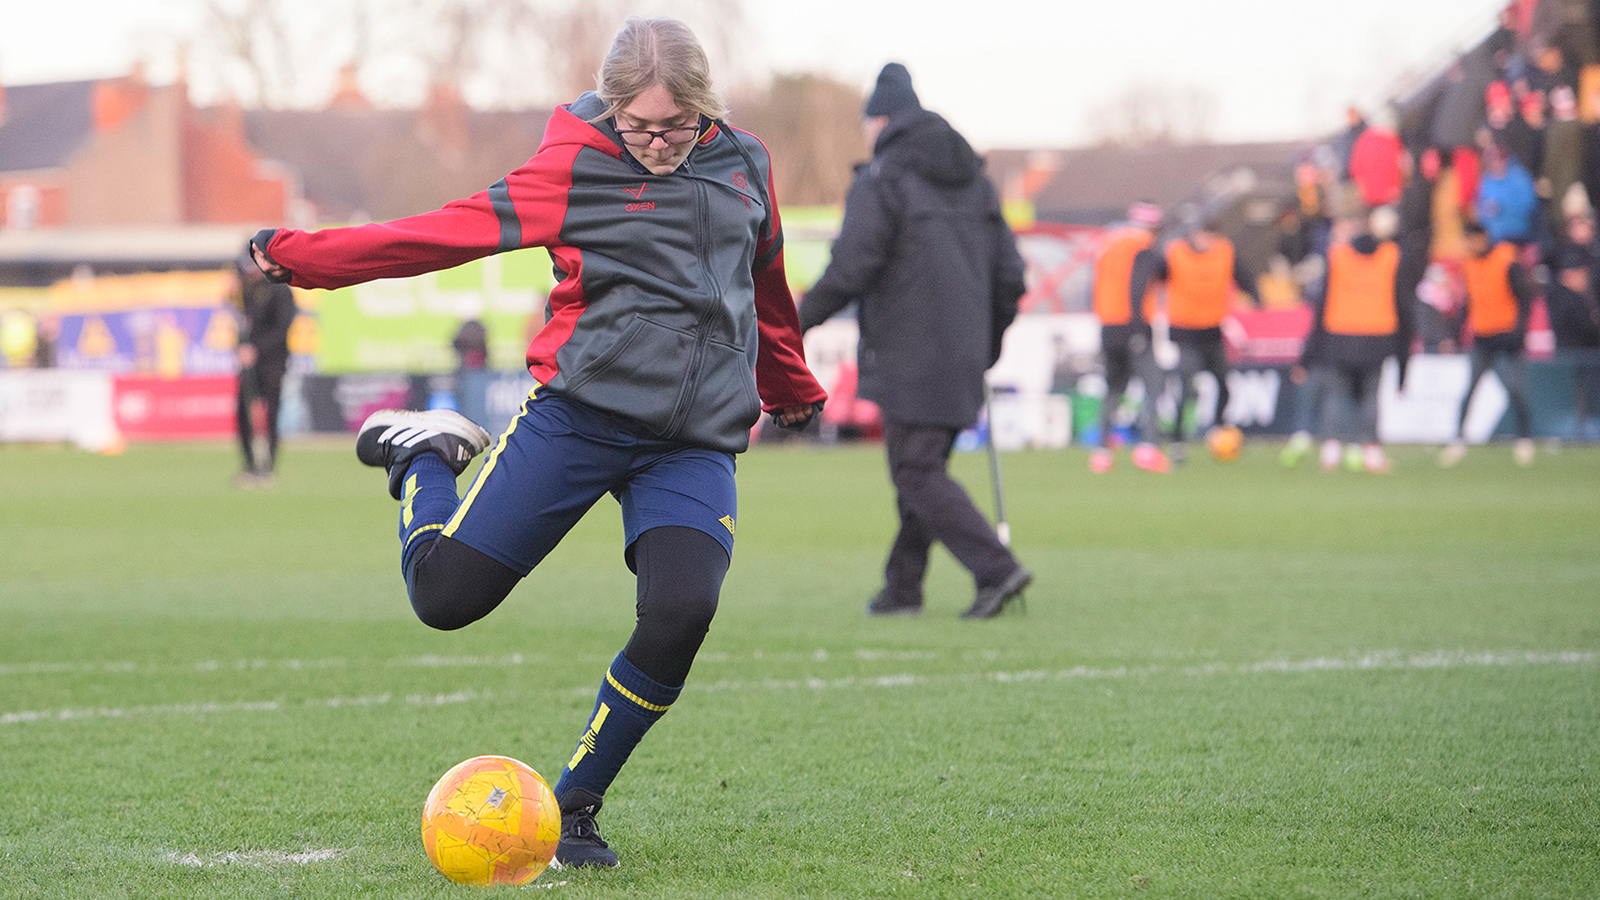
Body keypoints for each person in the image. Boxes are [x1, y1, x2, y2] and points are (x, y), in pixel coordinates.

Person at [247, 17, 826, 868]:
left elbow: (766, 281)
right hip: (581, 414)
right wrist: (300, 258)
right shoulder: (574, 165)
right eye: (639, 126)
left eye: (676, 126)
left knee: (681, 612)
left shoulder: (746, 162)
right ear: (611, 109)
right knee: (445, 599)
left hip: (693, 442)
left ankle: (575, 807)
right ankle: (425, 455)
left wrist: (789, 387)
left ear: (707, 109)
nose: (658, 143)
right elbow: (439, 234)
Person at [796, 62, 1030, 620]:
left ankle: (996, 569)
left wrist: (795, 320)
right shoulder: (978, 182)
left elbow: (852, 266)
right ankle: (903, 588)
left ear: (878, 122)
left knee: (916, 472)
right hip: (964, 353)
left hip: (907, 352)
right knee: (921, 470)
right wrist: (987, 342)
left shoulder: (883, 179)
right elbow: (1012, 276)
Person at [1296, 207, 1422, 473]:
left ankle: (1331, 452)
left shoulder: (1338, 258)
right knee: (1371, 397)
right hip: (1377, 338)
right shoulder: (1391, 257)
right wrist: (1403, 364)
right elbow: (1404, 309)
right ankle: (1372, 454)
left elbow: (1321, 307)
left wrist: (1307, 356)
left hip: (1339, 336)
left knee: (1335, 395)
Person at [1129, 217, 1261, 459]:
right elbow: (1153, 276)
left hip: (1212, 331)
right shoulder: (1175, 255)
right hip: (1185, 333)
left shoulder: (1224, 253)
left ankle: (1219, 429)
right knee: (1187, 389)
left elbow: (1244, 276)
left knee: (1224, 385)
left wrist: (1256, 296)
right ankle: (1178, 439)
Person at [1441, 222, 1537, 466]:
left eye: (1473, 239)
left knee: (1515, 389)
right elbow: (1468, 303)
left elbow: (1524, 298)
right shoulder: (1469, 264)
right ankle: (1458, 440)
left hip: (1508, 335)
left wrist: (1520, 331)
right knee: (1470, 389)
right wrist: (1455, 334)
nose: (1470, 245)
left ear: (1484, 237)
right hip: (1483, 336)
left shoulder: (1506, 260)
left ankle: (1524, 440)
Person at [1087, 202, 1170, 474]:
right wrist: (1138, 328)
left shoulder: (1109, 244)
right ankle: (1147, 448)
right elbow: (1137, 285)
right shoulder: (1142, 246)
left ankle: (1101, 452)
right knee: (1153, 384)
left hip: (1108, 324)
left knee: (1113, 388)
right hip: (1133, 323)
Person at [233, 251, 298, 485]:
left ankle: (267, 467)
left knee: (271, 414)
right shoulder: (244, 290)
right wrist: (242, 348)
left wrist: (256, 350)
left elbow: (281, 329)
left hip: (273, 363)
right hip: (249, 365)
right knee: (242, 412)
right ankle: (250, 465)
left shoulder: (280, 290)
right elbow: (244, 325)